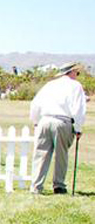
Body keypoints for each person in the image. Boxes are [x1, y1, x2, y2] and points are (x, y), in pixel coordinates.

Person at [29, 62, 87, 194]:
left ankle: (36, 186)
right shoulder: (75, 86)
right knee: (61, 155)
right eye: (77, 73)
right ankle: (59, 185)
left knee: (40, 154)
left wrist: (36, 121)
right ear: (71, 72)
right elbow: (78, 109)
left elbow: (35, 104)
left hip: (45, 120)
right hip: (62, 121)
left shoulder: (50, 85)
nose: (77, 75)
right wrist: (78, 128)